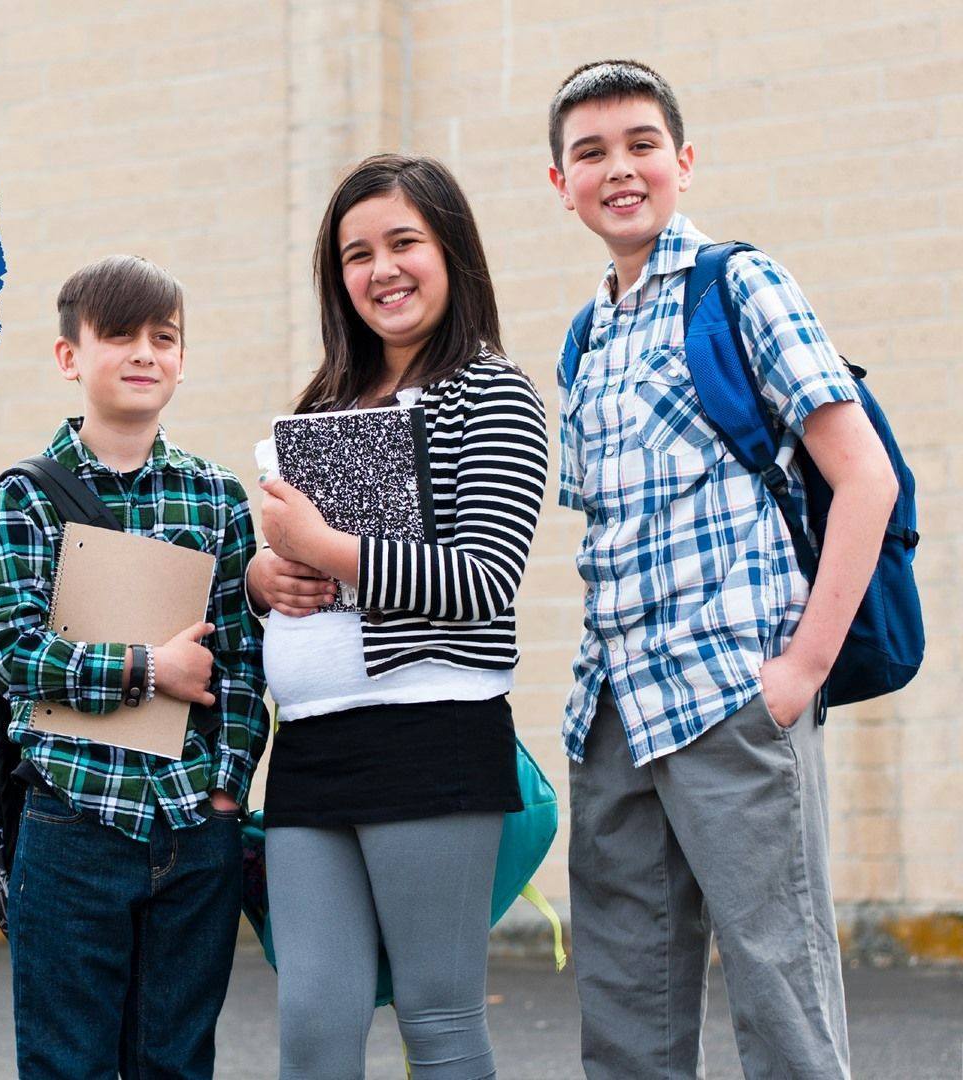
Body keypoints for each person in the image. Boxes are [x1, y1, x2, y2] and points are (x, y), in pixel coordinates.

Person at [547, 60, 898, 1079]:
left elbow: (864, 478)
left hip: (732, 695)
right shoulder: (585, 338)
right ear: (561, 184)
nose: (620, 168)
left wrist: (801, 671)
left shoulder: (740, 285)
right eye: (591, 153)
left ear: (685, 161)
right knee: (627, 1016)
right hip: (613, 710)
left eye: (642, 144)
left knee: (781, 999)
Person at [248, 153, 549, 1080]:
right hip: (310, 748)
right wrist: (265, 577)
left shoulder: (492, 392)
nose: (382, 269)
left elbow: (485, 578)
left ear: (451, 250)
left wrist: (328, 547)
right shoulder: (323, 406)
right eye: (357, 254)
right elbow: (297, 570)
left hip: (432, 739)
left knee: (439, 1021)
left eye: (403, 243)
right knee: (313, 1025)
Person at [0, 254, 269, 1079]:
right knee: (69, 1063)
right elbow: (7, 648)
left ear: (182, 358)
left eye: (163, 338)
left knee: (177, 1063)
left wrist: (226, 792)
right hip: (72, 820)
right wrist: (145, 669)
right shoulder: (26, 495)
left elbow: (244, 662)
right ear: (70, 356)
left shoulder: (218, 496)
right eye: (120, 335)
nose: (144, 352)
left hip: (193, 825)